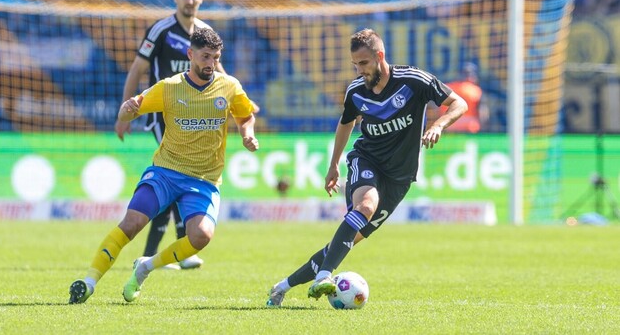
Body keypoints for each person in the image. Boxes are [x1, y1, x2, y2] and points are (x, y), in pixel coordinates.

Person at [266, 28, 467, 307]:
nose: (360, 71)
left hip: (400, 178)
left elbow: (459, 103)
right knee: (366, 205)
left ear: (379, 56)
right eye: (355, 65)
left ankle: (282, 287)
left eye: (364, 63)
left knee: (345, 243)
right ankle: (324, 276)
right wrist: (334, 164)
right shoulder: (356, 91)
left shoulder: (413, 80)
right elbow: (346, 122)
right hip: (367, 159)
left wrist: (438, 125)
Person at [69, 27, 259, 304]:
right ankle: (88, 282)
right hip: (166, 172)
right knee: (132, 223)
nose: (210, 64)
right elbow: (129, 109)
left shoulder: (229, 86)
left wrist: (248, 134)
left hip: (203, 180)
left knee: (201, 236)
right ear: (190, 54)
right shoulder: (169, 88)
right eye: (205, 57)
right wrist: (127, 109)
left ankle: (146, 266)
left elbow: (245, 116)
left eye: (215, 58)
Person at [115, 0, 218, 270]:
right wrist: (126, 113)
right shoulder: (161, 30)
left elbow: (218, 72)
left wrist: (241, 105)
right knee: (174, 171)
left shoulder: (205, 32)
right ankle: (169, 249)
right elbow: (137, 69)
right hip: (165, 115)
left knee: (176, 177)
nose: (190, 0)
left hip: (196, 118)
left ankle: (163, 251)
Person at [442, 62, 488, 133]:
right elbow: (483, 114)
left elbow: (436, 109)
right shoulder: (476, 91)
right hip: (470, 129)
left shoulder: (448, 88)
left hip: (449, 128)